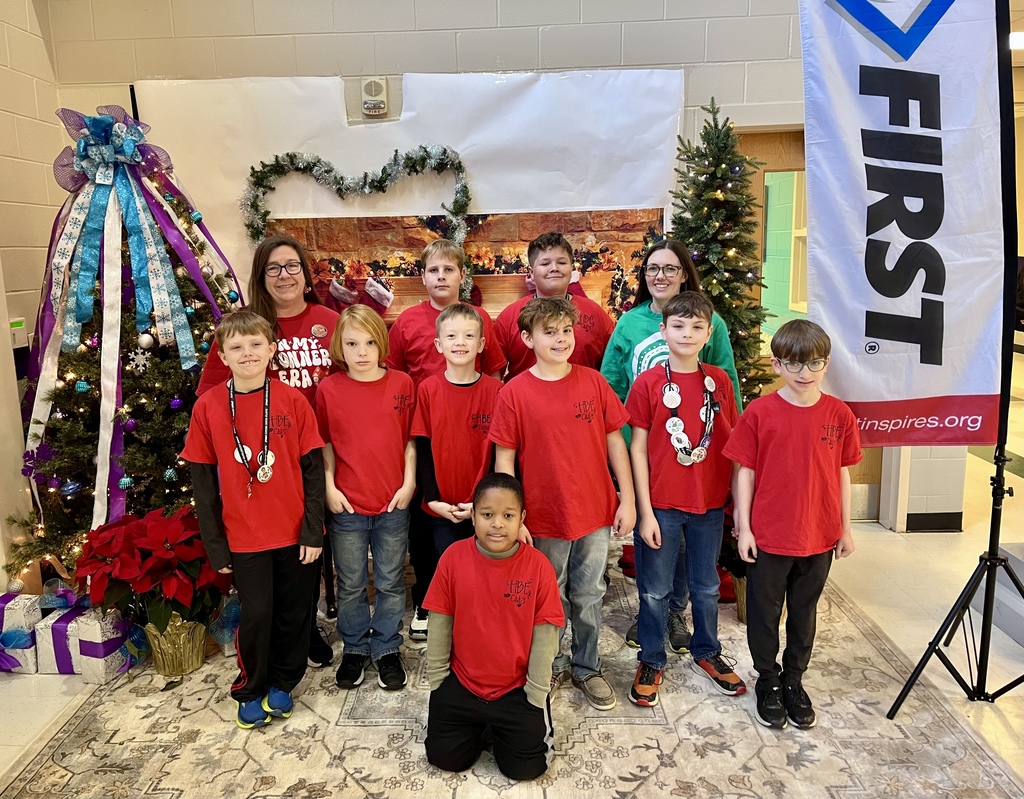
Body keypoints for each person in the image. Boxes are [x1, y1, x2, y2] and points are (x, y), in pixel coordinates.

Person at [196, 233, 338, 669]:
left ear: (305, 272)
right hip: (262, 460)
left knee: (315, 542)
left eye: (292, 265)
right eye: (273, 267)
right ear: (261, 275)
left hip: (325, 450)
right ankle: (297, 631)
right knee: (284, 550)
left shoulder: (330, 321)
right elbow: (212, 394)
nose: (284, 275)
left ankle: (307, 622)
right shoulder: (246, 329)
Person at [490, 297, 635, 711]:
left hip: (593, 511)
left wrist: (627, 497)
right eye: (549, 332)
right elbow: (504, 460)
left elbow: (615, 443)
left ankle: (587, 665)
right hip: (543, 516)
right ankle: (548, 663)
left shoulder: (593, 383)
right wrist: (511, 517)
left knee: (590, 593)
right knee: (547, 595)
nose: (560, 339)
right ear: (527, 338)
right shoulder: (514, 392)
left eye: (566, 331)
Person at [182, 310, 325, 729]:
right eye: (237, 347)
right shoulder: (208, 408)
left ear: (272, 350)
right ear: (223, 356)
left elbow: (313, 470)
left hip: (296, 531)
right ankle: (251, 686)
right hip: (244, 535)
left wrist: (313, 528)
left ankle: (284, 680)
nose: (248, 353)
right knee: (258, 612)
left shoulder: (293, 401)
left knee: (295, 610)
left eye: (256, 345)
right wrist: (215, 544)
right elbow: (203, 485)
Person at [600, 239, 741, 645]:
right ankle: (652, 616)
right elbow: (611, 384)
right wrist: (622, 443)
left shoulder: (709, 323)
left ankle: (676, 615)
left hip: (697, 458)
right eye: (652, 269)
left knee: (688, 546)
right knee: (656, 539)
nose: (660, 276)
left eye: (669, 268)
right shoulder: (629, 324)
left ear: (683, 274)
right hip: (645, 451)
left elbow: (725, 386)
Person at [723, 319, 861, 730]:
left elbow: (842, 473)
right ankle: (767, 680)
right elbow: (743, 473)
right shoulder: (760, 413)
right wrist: (744, 529)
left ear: (827, 364)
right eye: (795, 364)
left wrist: (846, 527)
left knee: (805, 611)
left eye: (815, 364)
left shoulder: (839, 414)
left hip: (819, 534)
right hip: (769, 534)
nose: (805, 373)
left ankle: (794, 680)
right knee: (765, 614)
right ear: (777, 364)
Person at [625, 292, 745, 707]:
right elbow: (637, 448)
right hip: (661, 503)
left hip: (709, 505)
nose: (687, 334)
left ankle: (707, 650)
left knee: (706, 586)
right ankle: (652, 657)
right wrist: (644, 511)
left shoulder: (719, 382)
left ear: (709, 333)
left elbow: (731, 444)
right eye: (678, 326)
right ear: (664, 330)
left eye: (697, 327)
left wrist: (737, 506)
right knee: (655, 589)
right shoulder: (648, 384)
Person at [387, 239, 507, 643]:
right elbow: (397, 376)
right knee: (428, 539)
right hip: (430, 439)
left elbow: (499, 434)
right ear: (423, 276)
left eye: (449, 270)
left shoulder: (483, 337)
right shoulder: (406, 323)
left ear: (461, 275)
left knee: (477, 546)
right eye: (433, 270)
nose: (441, 277)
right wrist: (431, 492)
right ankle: (427, 600)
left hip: (474, 446)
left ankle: (478, 605)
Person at [423, 473, 563, 781]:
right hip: (462, 683)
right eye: (487, 514)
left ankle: (504, 726)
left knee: (526, 769)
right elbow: (439, 622)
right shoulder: (452, 558)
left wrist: (536, 692)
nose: (497, 523)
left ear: (521, 519)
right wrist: (438, 681)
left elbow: (545, 635)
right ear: (473, 516)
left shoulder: (539, 566)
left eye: (508, 515)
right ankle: (481, 725)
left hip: (516, 688)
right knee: (445, 757)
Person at [315, 305, 416, 692]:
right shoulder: (329, 389)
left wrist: (408, 485)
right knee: (351, 582)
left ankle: (387, 646)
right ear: (340, 345)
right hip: (348, 504)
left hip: (393, 502)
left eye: (370, 342)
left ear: (382, 343)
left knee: (391, 580)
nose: (362, 351)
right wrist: (329, 486)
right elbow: (324, 442)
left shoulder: (403, 384)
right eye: (353, 343)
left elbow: (410, 439)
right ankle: (355, 647)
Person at [412, 304, 502, 557]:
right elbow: (423, 447)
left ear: (482, 344)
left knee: (487, 567)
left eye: (469, 335)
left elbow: (500, 454)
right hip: (443, 507)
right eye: (451, 336)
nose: (460, 342)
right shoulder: (428, 389)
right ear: (439, 344)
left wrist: (484, 501)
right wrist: (432, 500)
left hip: (486, 506)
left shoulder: (496, 391)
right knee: (450, 567)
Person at [493, 232, 614, 380]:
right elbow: (494, 373)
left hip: (583, 399)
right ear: (531, 272)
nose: (554, 268)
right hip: (525, 401)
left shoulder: (595, 314)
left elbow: (612, 368)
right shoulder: (509, 317)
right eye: (545, 263)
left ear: (572, 269)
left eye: (562, 263)